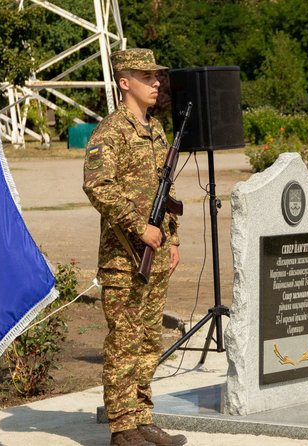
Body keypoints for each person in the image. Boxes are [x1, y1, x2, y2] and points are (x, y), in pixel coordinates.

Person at [83, 48, 187, 446]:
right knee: (124, 341)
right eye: (147, 77)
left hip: (157, 254)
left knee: (148, 341)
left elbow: (168, 187)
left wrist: (172, 237)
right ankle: (122, 426)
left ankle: (142, 418)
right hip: (124, 257)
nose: (156, 83)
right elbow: (98, 186)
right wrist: (138, 226)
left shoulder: (156, 129)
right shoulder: (111, 131)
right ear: (125, 82)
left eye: (157, 76)